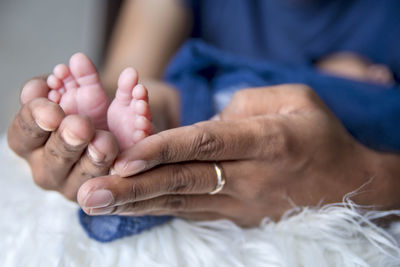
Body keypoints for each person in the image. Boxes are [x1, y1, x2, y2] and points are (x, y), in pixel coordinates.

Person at [7, 0, 400, 225]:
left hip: (349, 129)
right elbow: (131, 73)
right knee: (180, 99)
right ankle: (134, 124)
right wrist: (116, 98)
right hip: (212, 103)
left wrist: (373, 179)